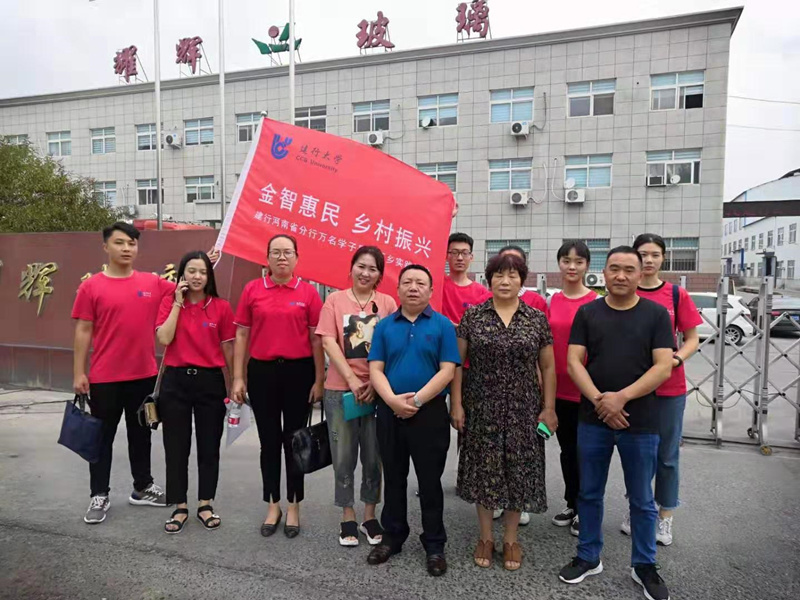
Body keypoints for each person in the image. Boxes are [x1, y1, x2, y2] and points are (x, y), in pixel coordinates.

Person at [558, 246, 674, 600]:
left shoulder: (656, 315)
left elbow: (663, 366)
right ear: (604, 273)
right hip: (592, 418)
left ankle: (644, 564)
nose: (621, 275)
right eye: (614, 268)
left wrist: (620, 398)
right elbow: (574, 362)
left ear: (640, 274)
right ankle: (588, 555)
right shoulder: (588, 313)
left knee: (641, 498)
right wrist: (600, 400)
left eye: (628, 269)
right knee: (589, 492)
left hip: (640, 421)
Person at [451, 253, 557, 571]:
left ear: (522, 280)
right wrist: (456, 403)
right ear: (490, 279)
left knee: (518, 472)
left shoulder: (535, 318)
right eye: (499, 274)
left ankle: (511, 539)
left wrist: (549, 408)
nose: (505, 281)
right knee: (485, 471)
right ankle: (485, 537)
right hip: (481, 406)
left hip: (524, 408)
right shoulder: (473, 316)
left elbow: (548, 367)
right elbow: (457, 364)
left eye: (512, 275)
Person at [72, 222, 173, 524]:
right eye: (120, 243)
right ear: (106, 247)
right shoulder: (91, 287)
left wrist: (208, 261)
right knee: (101, 438)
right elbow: (83, 330)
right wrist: (79, 373)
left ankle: (142, 487)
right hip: (105, 377)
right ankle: (98, 495)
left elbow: (189, 287)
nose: (127, 248)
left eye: (132, 243)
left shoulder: (153, 283)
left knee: (141, 435)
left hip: (144, 375)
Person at [366, 264, 461, 577]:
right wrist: (393, 401)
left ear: (431, 291)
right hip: (389, 412)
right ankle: (392, 537)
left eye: (420, 283)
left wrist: (417, 401)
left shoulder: (443, 326)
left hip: (429, 413)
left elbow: (448, 370)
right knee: (394, 477)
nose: (413, 287)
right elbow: (376, 369)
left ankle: (434, 544)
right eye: (407, 282)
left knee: (430, 481)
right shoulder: (384, 326)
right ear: (398, 289)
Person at [231, 234, 324, 539]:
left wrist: (319, 379)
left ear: (297, 257)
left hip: (299, 373)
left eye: (287, 252)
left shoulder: (308, 293)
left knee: (295, 442)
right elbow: (241, 335)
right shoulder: (253, 290)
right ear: (267, 258)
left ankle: (294, 505)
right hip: (263, 373)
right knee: (268, 442)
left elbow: (316, 340)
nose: (282, 258)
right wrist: (238, 377)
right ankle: (273, 504)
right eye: (276, 252)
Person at [316, 246, 397, 547]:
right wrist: (351, 380)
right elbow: (328, 342)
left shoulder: (387, 303)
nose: (365, 273)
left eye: (373, 268)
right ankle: (347, 515)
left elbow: (392, 344)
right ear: (351, 268)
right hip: (340, 391)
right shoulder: (334, 301)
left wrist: (376, 383)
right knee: (343, 456)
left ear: (380, 274)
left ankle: (369, 515)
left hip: (378, 392)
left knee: (375, 456)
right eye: (361, 266)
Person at [625, 233, 701, 546]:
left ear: (663, 258)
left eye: (655, 254)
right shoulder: (625, 290)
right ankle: (638, 508)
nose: (648, 260)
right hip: (633, 386)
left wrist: (676, 359)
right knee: (637, 454)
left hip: (669, 388)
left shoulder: (675, 294)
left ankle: (665, 515)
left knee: (667, 455)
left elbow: (692, 338)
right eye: (643, 254)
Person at [155, 251, 236, 534]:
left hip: (210, 382)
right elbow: (164, 338)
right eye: (191, 271)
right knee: (176, 447)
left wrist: (236, 381)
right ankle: (179, 506)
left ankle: (205, 504)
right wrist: (177, 303)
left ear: (209, 276)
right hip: (175, 381)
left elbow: (228, 348)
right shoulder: (169, 302)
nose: (197, 276)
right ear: (182, 274)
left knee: (208, 446)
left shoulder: (221, 307)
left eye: (202, 271)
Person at [546, 241, 598, 537]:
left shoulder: (596, 302)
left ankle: (585, 508)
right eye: (566, 260)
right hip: (557, 390)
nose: (572, 266)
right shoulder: (552, 301)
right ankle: (572, 503)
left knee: (586, 452)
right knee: (567, 450)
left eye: (578, 261)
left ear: (587, 265)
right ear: (559, 264)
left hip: (586, 391)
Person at [441, 232, 492, 325]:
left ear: (471, 257)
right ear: (447, 256)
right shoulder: (438, 284)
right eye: (455, 252)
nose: (460, 258)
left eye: (465, 253)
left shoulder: (482, 292)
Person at [498, 245, 547, 313]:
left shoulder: (536, 301)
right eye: (505, 260)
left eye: (515, 261)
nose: (510, 264)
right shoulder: (485, 299)